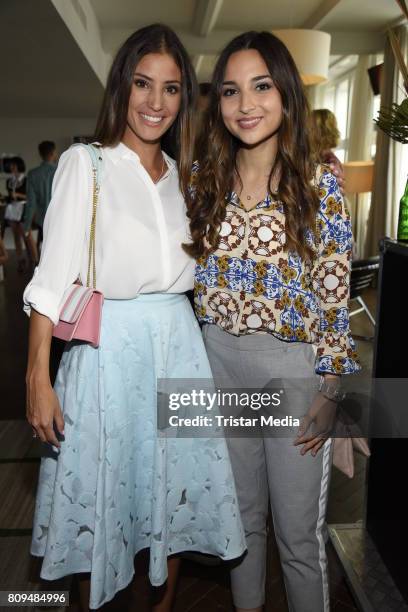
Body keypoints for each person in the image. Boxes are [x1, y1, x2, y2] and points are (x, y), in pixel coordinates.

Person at [24, 24, 245, 612]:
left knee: (170, 491)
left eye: (171, 89)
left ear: (183, 99)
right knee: (99, 494)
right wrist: (37, 377)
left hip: (178, 348)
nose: (155, 102)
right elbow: (49, 281)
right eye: (143, 84)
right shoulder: (85, 165)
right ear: (122, 86)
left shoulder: (185, 180)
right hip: (106, 355)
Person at [185, 31, 360, 612]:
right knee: (241, 527)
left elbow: (334, 300)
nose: (245, 104)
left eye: (261, 86)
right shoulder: (203, 183)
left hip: (291, 374)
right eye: (231, 91)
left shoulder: (319, 187)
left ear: (285, 92)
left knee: (297, 539)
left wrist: (332, 392)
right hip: (218, 368)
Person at [23, 140, 58, 264]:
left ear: (40, 154)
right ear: (54, 153)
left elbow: (31, 203)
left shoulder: (33, 174)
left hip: (42, 219)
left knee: (43, 248)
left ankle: (40, 270)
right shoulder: (60, 171)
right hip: (60, 218)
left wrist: (26, 226)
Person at [3, 156, 27, 272]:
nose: (11, 167)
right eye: (10, 165)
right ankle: (20, 259)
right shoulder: (9, 181)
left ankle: (33, 259)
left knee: (25, 235)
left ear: (19, 165)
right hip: (12, 208)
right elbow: (9, 196)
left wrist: (17, 195)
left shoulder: (26, 179)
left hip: (23, 208)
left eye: (13, 165)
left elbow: (29, 196)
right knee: (16, 236)